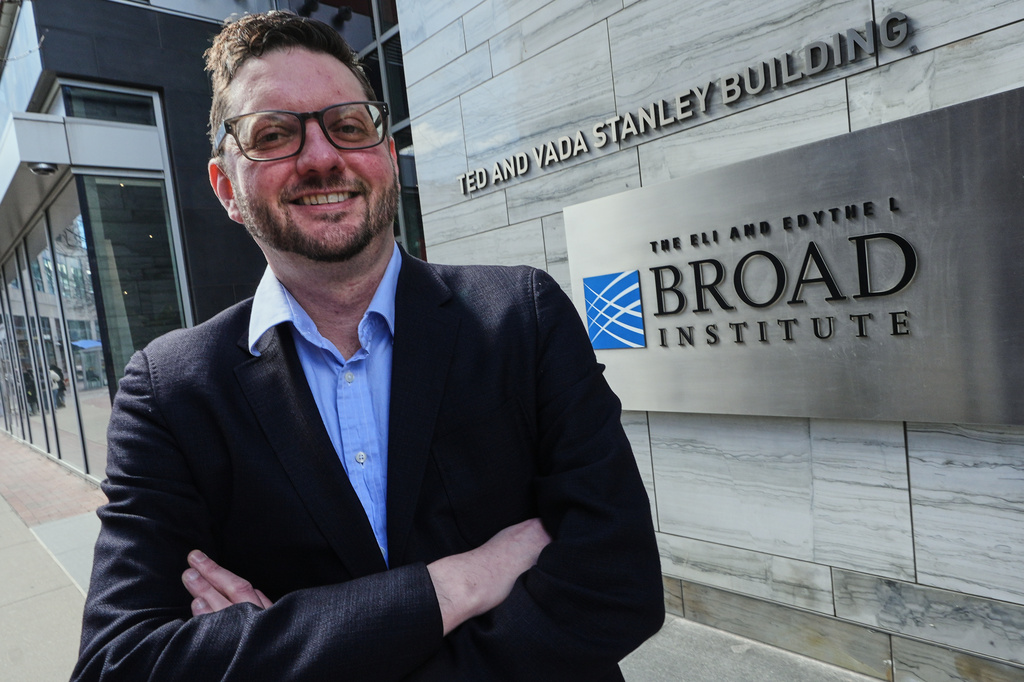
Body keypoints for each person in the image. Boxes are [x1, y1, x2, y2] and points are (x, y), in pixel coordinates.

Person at [72, 10, 663, 681]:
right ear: (226, 189)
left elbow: (618, 584)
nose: (322, 157)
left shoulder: (522, 318)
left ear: (386, 155)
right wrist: (455, 586)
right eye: (273, 135)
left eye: (348, 126)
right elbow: (120, 665)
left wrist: (287, 650)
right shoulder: (170, 390)